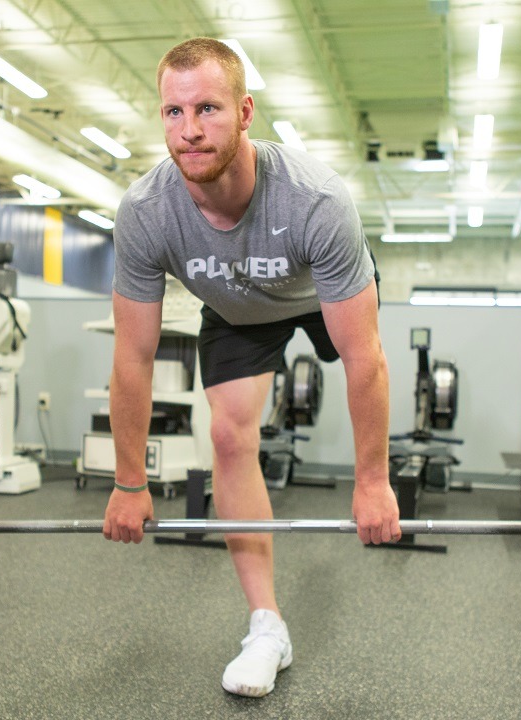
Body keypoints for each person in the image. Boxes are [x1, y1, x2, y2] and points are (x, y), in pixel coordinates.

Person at [102, 37, 401, 698]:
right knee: (229, 435)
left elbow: (364, 360)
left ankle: (280, 610)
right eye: (173, 113)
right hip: (237, 309)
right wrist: (129, 481)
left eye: (207, 108)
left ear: (245, 113)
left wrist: (372, 481)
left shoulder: (315, 200)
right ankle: (267, 626)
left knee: (355, 353)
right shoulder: (147, 213)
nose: (189, 130)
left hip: (319, 296)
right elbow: (133, 357)